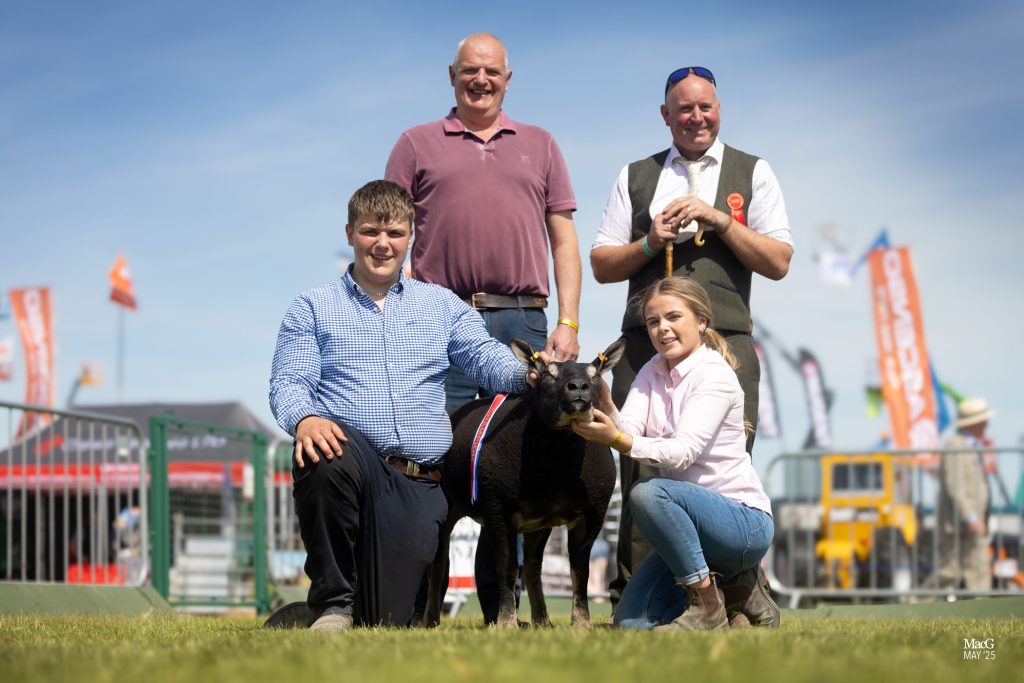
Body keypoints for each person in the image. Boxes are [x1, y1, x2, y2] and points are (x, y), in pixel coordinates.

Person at [268, 180, 531, 632]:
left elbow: (485, 359)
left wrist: (531, 374)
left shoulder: (441, 305)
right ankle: (332, 605)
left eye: (394, 232)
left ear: (411, 237)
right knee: (326, 450)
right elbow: (288, 382)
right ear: (350, 233)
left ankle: (325, 611)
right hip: (351, 463)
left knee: (388, 619)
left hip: (418, 482)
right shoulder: (311, 307)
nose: (382, 243)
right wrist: (304, 417)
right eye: (370, 231)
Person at [385, 32, 581, 623]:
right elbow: (390, 233)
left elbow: (564, 239)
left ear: (507, 79)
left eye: (492, 71)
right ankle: (417, 604)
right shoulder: (414, 144)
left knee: (512, 465)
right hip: (440, 317)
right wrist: (401, 310)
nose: (481, 80)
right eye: (470, 70)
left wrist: (568, 320)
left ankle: (502, 608)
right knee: (431, 456)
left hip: (523, 318)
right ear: (452, 75)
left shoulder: (541, 144)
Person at [590, 66, 792, 615]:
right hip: (646, 344)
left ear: (719, 110)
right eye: (685, 108)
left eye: (706, 107)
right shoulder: (635, 175)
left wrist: (719, 221)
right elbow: (602, 264)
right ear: (666, 115)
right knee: (639, 469)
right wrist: (649, 242)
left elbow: (779, 261)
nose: (696, 117)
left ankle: (735, 594)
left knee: (725, 464)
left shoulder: (754, 171)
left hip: (727, 340)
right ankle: (641, 595)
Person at [571, 277, 774, 630]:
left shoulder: (714, 375)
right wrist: (606, 403)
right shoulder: (651, 370)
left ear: (701, 321)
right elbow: (630, 428)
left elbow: (681, 453)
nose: (662, 328)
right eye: (653, 321)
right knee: (631, 626)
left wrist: (616, 439)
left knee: (648, 493)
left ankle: (709, 607)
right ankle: (736, 594)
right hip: (694, 530)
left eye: (673, 317)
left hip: (744, 525)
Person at [935, 398, 994, 591]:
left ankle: (981, 607)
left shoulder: (972, 446)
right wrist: (971, 517)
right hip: (960, 523)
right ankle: (916, 602)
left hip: (969, 521)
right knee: (949, 571)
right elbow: (956, 485)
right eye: (983, 420)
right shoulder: (956, 445)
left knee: (977, 570)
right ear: (974, 423)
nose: (987, 424)